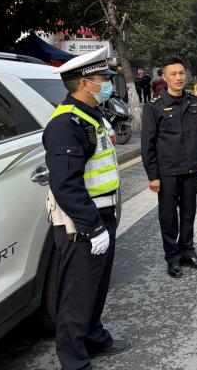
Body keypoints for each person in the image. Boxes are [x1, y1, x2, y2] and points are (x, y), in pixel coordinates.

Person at [44, 47, 130, 370]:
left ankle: (93, 337)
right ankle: (74, 360)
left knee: (96, 286)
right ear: (84, 83)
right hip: (82, 222)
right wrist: (92, 227)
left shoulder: (92, 114)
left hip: (103, 214)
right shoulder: (66, 124)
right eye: (101, 78)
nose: (107, 83)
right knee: (76, 293)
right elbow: (65, 184)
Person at [141, 57, 197, 278]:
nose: (179, 77)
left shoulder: (192, 101)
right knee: (168, 217)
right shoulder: (154, 106)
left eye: (181, 73)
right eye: (173, 74)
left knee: (189, 213)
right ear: (164, 77)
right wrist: (153, 175)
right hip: (168, 172)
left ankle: (187, 251)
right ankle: (172, 258)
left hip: (191, 170)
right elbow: (148, 144)